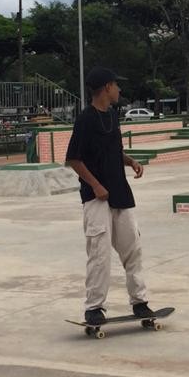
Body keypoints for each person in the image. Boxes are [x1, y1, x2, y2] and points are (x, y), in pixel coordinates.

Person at [64, 66, 154, 328]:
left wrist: (130, 161)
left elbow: (114, 151)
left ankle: (140, 302)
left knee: (133, 249)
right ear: (106, 88)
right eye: (116, 85)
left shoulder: (113, 116)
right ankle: (94, 308)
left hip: (120, 193)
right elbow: (73, 159)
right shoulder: (85, 120)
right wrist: (95, 185)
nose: (119, 89)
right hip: (96, 199)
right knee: (100, 253)